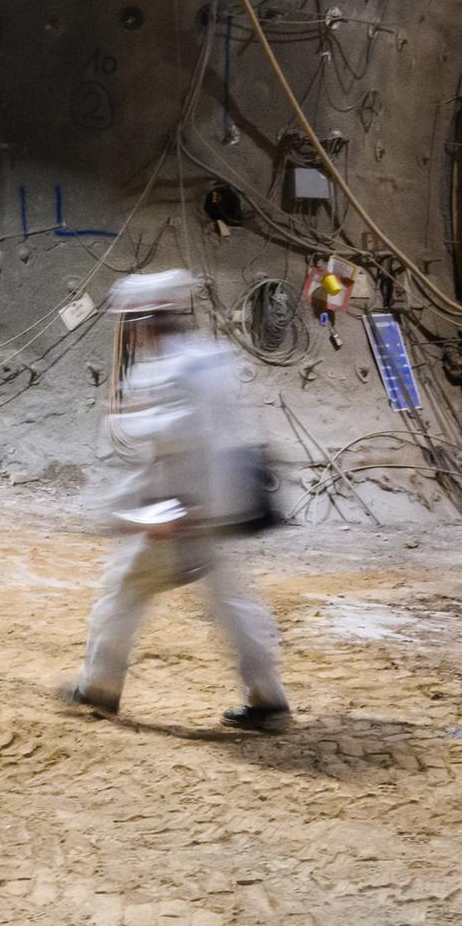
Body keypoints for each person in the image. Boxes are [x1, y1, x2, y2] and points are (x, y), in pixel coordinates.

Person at [62, 268, 291, 732]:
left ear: (145, 322)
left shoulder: (168, 368)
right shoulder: (211, 357)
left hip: (184, 509)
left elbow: (180, 436)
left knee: (123, 590)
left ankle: (99, 688)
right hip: (224, 506)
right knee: (233, 604)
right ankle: (269, 700)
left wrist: (175, 505)